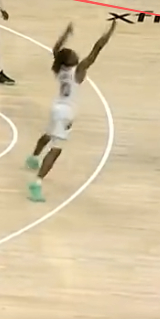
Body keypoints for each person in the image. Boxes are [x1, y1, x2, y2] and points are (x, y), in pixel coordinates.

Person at [25, 20, 116, 202]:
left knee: (48, 134)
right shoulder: (79, 70)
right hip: (65, 113)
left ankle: (33, 158)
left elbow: (56, 49)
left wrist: (66, 34)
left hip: (56, 107)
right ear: (70, 60)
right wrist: (109, 32)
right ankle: (37, 183)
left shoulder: (60, 68)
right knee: (55, 150)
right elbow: (96, 49)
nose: (76, 53)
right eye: (73, 53)